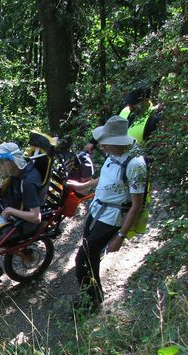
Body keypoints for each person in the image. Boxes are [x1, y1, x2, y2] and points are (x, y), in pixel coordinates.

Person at [68, 116, 147, 312]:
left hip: (113, 217)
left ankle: (89, 303)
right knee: (91, 255)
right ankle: (95, 295)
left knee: (82, 257)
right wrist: (86, 185)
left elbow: (137, 204)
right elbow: (106, 177)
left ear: (116, 142)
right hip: (97, 210)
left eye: (105, 143)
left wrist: (120, 236)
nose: (102, 147)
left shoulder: (136, 164)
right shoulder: (113, 155)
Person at [84, 83, 161, 154]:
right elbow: (109, 126)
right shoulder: (125, 111)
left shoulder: (153, 119)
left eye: (133, 103)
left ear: (144, 101)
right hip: (114, 158)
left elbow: (153, 151)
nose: (129, 106)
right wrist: (92, 142)